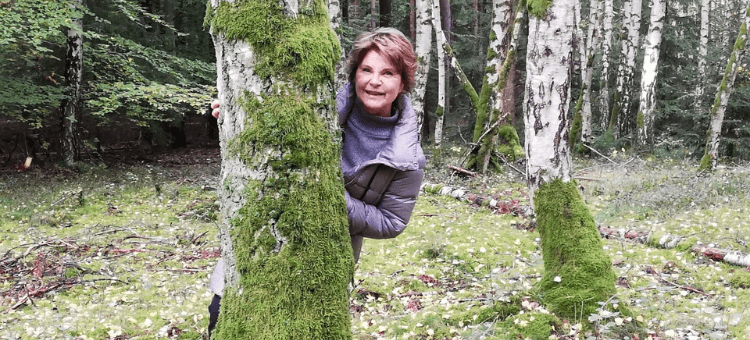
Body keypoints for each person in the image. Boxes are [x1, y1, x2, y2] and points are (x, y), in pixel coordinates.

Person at [207, 27, 425, 337]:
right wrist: (235, 114)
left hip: (325, 260)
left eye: (387, 73)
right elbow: (270, 132)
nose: (374, 81)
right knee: (225, 315)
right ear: (354, 74)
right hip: (266, 236)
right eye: (366, 70)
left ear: (403, 82)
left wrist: (331, 199)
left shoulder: (408, 157)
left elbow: (392, 222)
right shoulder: (316, 108)